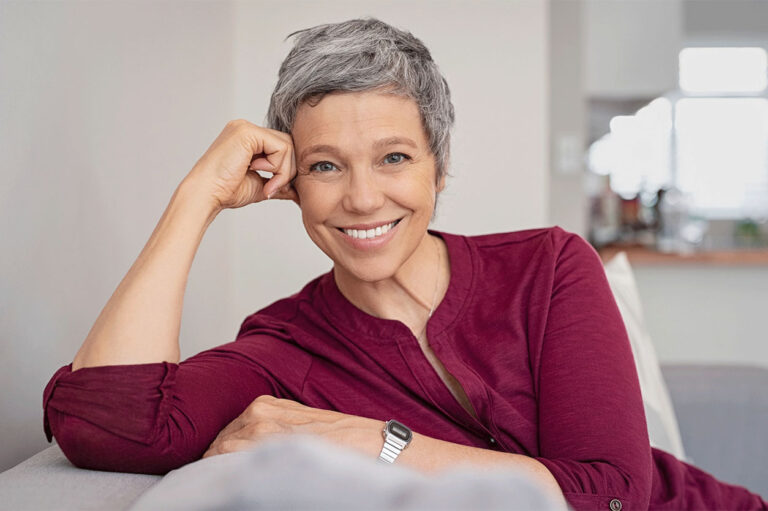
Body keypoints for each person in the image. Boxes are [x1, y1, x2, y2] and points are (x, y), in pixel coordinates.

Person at [42, 18, 767, 511]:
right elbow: (112, 422)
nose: (362, 198)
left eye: (394, 157)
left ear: (437, 168)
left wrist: (378, 443)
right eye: (326, 165)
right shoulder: (282, 348)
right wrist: (196, 195)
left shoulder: (549, 268)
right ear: (289, 181)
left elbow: (611, 494)